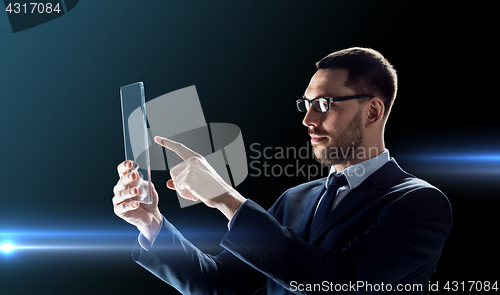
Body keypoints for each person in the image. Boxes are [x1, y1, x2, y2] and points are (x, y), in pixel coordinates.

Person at [112, 47, 452, 294]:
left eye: (323, 104)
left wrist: (226, 198)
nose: (308, 120)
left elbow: (339, 283)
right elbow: (221, 285)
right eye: (306, 105)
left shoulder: (419, 203)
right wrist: (152, 223)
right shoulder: (297, 199)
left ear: (373, 111)